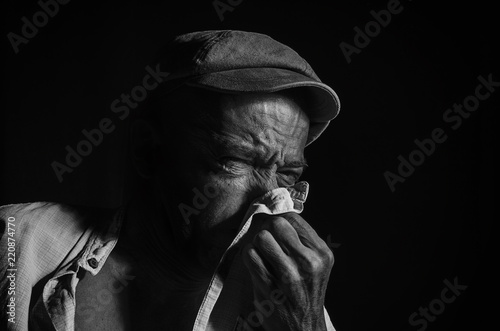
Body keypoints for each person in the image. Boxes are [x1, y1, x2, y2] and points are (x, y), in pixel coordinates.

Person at [0, 30, 341, 330]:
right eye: (234, 161)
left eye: (287, 174)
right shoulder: (15, 243)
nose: (266, 199)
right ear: (147, 150)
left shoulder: (292, 309)